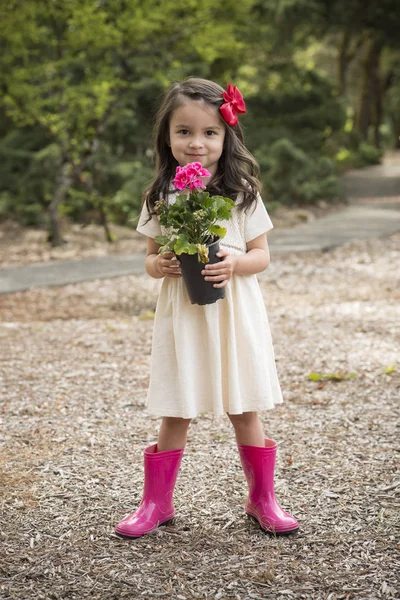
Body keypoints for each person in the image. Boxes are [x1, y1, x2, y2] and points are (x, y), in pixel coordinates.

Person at [115, 78, 298, 538]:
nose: (197, 143)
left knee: (245, 405)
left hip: (235, 311)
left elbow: (262, 256)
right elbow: (150, 261)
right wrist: (160, 263)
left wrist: (236, 262)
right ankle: (156, 502)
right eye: (184, 132)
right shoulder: (161, 194)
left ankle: (262, 499)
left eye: (209, 133)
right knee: (177, 405)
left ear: (226, 135)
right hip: (183, 315)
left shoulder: (242, 192)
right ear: (167, 135)